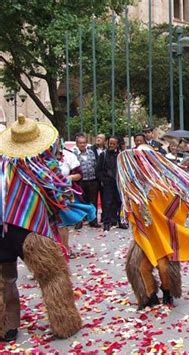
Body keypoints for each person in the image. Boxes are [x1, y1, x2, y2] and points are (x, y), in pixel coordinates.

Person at [0, 114, 81, 342]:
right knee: (53, 276)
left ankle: (8, 327)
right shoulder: (45, 166)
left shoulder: (1, 166)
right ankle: (63, 322)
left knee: (6, 279)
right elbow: (62, 197)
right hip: (32, 230)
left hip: (2, 230)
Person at [117, 145, 189, 307]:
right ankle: (150, 296)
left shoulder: (161, 183)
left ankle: (167, 293)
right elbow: (130, 208)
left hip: (162, 235)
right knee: (141, 267)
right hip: (145, 236)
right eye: (137, 159)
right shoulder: (132, 184)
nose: (140, 163)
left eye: (142, 159)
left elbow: (176, 202)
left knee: (164, 268)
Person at [55, 143, 96, 257]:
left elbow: (79, 174)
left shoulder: (68, 155)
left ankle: (64, 248)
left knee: (61, 222)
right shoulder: (38, 159)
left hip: (63, 194)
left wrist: (68, 178)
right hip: (45, 193)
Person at [96, 136, 126, 231]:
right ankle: (106, 223)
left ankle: (119, 221)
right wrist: (103, 180)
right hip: (107, 183)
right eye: (110, 143)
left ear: (117, 145)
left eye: (114, 144)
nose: (111, 145)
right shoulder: (103, 155)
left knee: (119, 202)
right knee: (107, 203)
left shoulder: (120, 155)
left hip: (118, 183)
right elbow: (98, 170)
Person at [73, 133, 100, 228]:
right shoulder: (74, 155)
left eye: (84, 143)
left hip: (92, 181)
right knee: (80, 202)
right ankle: (79, 221)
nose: (82, 145)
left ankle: (93, 220)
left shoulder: (91, 153)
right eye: (80, 143)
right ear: (77, 144)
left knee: (93, 201)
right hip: (80, 182)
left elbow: (96, 165)